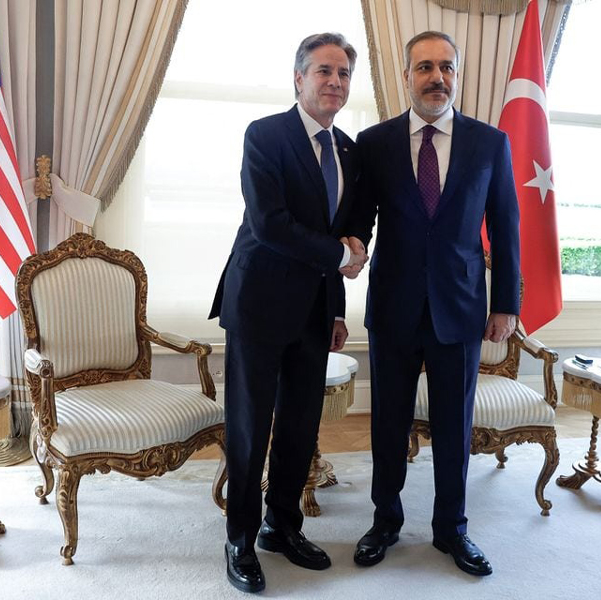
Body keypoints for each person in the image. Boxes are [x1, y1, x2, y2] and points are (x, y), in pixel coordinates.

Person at [345, 30, 520, 577]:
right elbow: (358, 220)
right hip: (393, 306)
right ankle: (385, 521)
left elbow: (508, 228)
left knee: (453, 425)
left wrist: (506, 302)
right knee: (387, 424)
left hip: (462, 307)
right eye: (424, 67)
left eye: (446, 67)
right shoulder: (372, 143)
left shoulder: (490, 143)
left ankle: (452, 529)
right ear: (406, 76)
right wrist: (350, 250)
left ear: (456, 75)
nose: (436, 78)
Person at [209, 32, 366, 594]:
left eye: (344, 74)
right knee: (251, 428)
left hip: (315, 309)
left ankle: (282, 526)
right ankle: (240, 540)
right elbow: (270, 223)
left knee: (300, 426)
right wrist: (341, 255)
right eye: (324, 71)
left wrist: (339, 306)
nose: (334, 82)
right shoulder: (265, 135)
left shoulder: (349, 149)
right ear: (299, 79)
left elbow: (344, 233)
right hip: (257, 302)